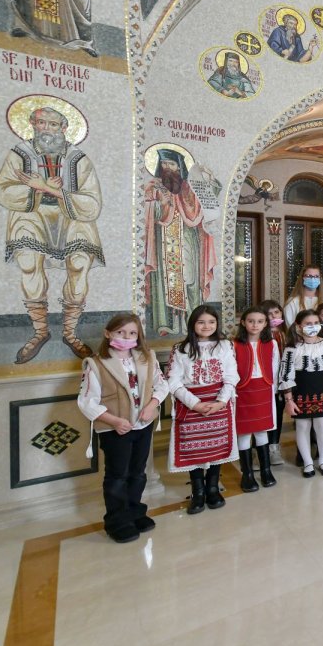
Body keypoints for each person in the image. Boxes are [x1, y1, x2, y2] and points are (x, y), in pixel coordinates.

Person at [0, 104, 103, 361]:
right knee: (29, 261)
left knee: (78, 264)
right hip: (32, 214)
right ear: (32, 125)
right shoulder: (19, 154)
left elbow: (93, 203)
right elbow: (2, 190)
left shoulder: (79, 159)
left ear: (64, 128)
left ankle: (70, 333)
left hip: (72, 214)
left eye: (53, 125)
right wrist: (36, 191)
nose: (47, 129)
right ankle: (40, 331)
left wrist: (51, 189)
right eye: (41, 123)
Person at [78, 314, 168, 542]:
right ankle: (117, 521)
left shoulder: (147, 358)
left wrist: (153, 404)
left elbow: (161, 384)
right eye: (120, 332)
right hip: (115, 430)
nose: (126, 337)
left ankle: (135, 512)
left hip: (143, 425)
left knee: (138, 473)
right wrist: (114, 421)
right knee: (118, 475)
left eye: (132, 333)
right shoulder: (96, 364)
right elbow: (87, 401)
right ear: (108, 334)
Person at [167, 306, 239, 514]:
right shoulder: (180, 349)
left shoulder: (225, 346)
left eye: (211, 322)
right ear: (192, 324)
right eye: (201, 322)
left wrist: (221, 400)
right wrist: (195, 404)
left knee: (217, 447)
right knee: (194, 448)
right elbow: (173, 381)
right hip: (191, 406)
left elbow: (232, 376)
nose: (206, 326)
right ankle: (198, 491)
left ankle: (213, 487)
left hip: (219, 402)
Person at [143, 147, 215, 336]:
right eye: (164, 164)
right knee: (167, 282)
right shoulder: (154, 186)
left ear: (180, 167)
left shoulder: (189, 188)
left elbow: (207, 203)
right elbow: (147, 213)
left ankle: (192, 321)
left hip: (187, 240)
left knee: (190, 280)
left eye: (172, 164)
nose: (167, 168)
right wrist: (162, 204)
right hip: (163, 241)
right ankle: (169, 323)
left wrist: (208, 178)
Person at [278, 309, 323, 478]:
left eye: (316, 323)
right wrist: (288, 399)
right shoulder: (292, 347)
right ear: (299, 326)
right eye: (308, 324)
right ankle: (307, 462)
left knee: (322, 425)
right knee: (302, 426)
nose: (313, 327)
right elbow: (286, 374)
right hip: (301, 390)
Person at [233, 306, 279, 492]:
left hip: (264, 388)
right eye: (251, 321)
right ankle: (248, 474)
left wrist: (273, 386)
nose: (255, 325)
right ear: (243, 322)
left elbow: (275, 365)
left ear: (265, 324)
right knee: (244, 432)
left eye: (260, 321)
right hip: (243, 390)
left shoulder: (271, 343)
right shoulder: (234, 344)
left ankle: (266, 470)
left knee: (262, 431)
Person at [260, 300, 288, 466]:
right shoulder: (261, 336)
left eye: (276, 313)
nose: (273, 317)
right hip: (265, 382)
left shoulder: (286, 333)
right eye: (269, 314)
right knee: (263, 416)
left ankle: (274, 448)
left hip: (282, 383)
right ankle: (260, 450)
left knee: (277, 415)